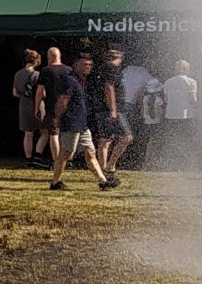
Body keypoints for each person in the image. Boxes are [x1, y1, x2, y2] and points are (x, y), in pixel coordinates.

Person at [40, 46, 107, 190]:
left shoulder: (80, 81)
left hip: (81, 123)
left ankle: (103, 182)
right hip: (72, 122)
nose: (87, 67)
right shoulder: (70, 80)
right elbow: (63, 100)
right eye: (84, 64)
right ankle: (55, 183)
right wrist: (58, 117)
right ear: (76, 64)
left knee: (90, 152)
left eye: (90, 64)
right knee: (66, 153)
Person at [95, 48, 135, 176]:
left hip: (106, 108)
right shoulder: (112, 69)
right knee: (126, 137)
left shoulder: (104, 68)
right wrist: (113, 109)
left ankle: (103, 169)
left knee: (106, 139)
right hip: (113, 109)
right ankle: (110, 167)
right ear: (119, 57)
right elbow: (109, 89)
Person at [159, 59, 198, 166]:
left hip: (171, 114)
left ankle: (172, 161)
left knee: (172, 138)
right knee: (187, 138)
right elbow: (193, 99)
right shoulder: (191, 82)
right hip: (186, 115)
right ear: (187, 69)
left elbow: (166, 99)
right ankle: (187, 162)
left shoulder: (168, 82)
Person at [12, 48, 45, 162]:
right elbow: (42, 93)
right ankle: (38, 154)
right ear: (36, 61)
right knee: (45, 132)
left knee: (28, 133)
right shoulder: (37, 75)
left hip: (23, 105)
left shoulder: (17, 74)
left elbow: (15, 93)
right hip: (37, 105)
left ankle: (28, 158)